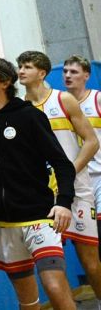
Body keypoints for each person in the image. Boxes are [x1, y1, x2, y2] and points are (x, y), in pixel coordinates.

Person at [0, 57, 76, 310]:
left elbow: (63, 164)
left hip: (39, 217)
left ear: (5, 82)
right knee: (28, 301)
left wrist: (63, 203)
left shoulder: (29, 116)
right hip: (2, 222)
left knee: (54, 286)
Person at [17, 50, 101, 300]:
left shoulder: (63, 99)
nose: (21, 70)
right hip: (42, 196)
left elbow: (91, 142)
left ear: (42, 73)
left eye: (27, 66)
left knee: (90, 260)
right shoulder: (21, 108)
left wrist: (68, 172)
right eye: (19, 66)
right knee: (51, 263)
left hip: (76, 190)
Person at [62, 55, 101, 265]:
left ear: (86, 75)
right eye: (65, 71)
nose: (68, 75)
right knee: (85, 243)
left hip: (99, 176)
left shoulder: (97, 99)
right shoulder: (59, 102)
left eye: (74, 72)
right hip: (76, 179)